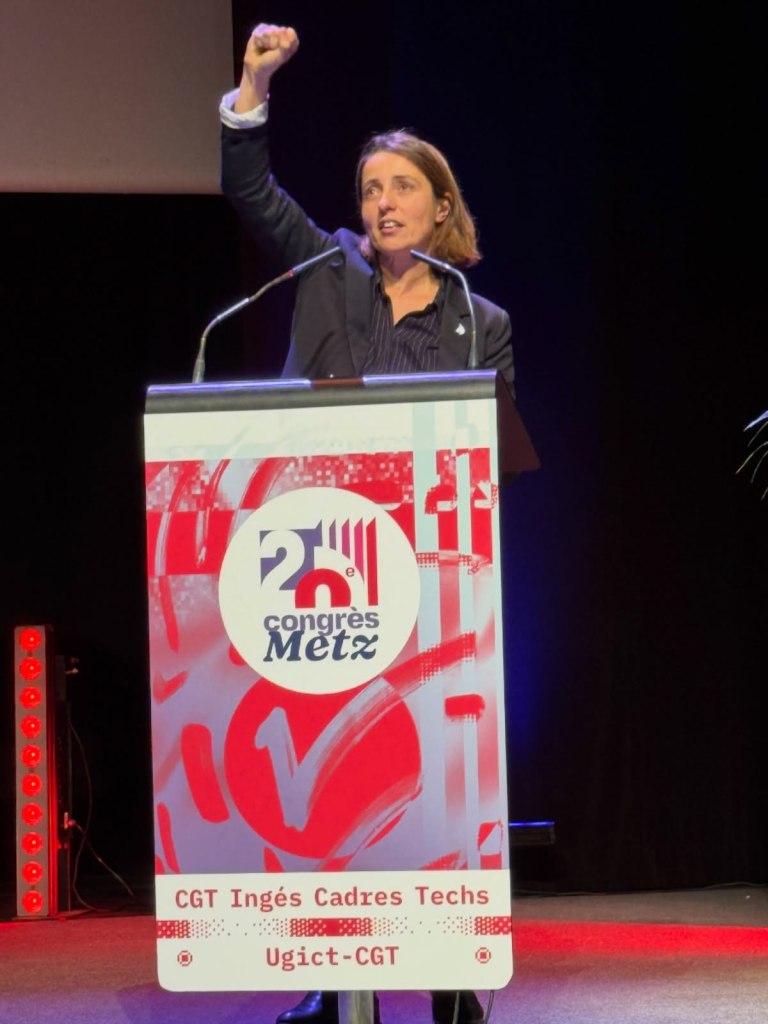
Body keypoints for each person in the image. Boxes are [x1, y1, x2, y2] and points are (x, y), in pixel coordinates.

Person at [219, 22, 512, 1024]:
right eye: (370, 189)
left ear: (441, 205)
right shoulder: (326, 270)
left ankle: (451, 973)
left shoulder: (481, 320)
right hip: (324, 572)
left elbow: (492, 455)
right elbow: (250, 189)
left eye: (402, 187)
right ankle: (336, 978)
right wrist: (253, 85)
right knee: (334, 779)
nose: (382, 203)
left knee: (427, 781)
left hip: (431, 579)